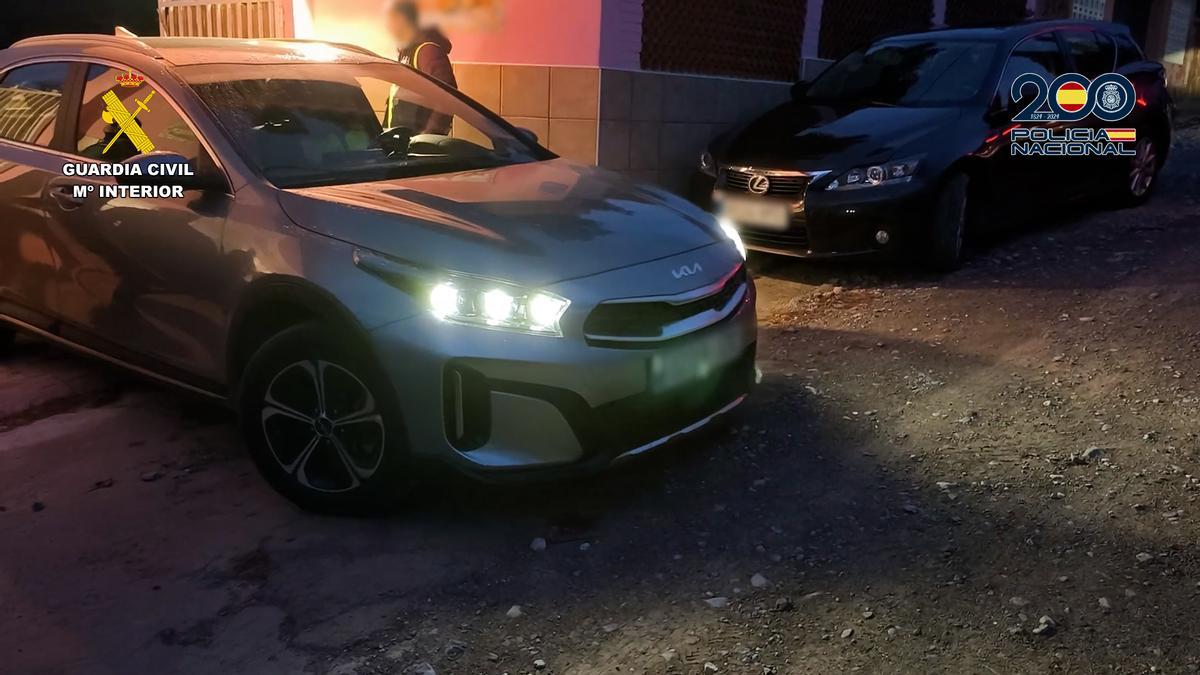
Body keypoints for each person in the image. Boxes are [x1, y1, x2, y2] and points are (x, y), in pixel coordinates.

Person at [384, 0, 457, 134]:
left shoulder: (427, 51)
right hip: (404, 141)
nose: (388, 25)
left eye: (392, 19)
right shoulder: (407, 51)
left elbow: (448, 97)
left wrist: (428, 135)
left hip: (419, 143)